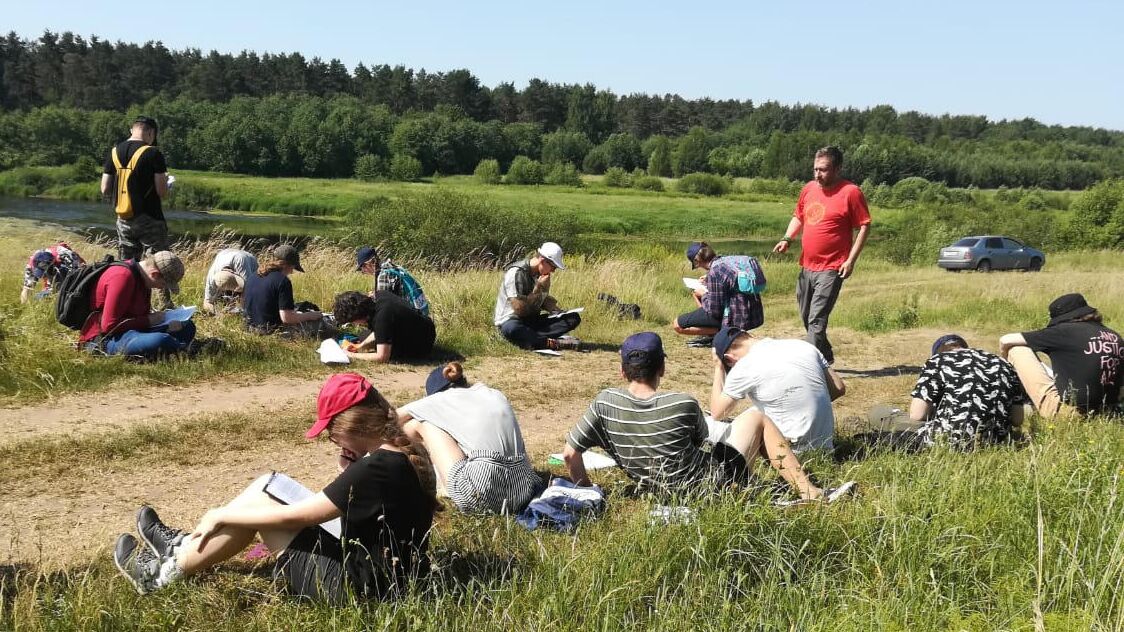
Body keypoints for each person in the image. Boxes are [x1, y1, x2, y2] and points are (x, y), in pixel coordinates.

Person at [111, 373, 439, 602]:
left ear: (349, 424)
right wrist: (348, 470)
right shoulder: (403, 451)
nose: (332, 440)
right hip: (390, 577)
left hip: (357, 590)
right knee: (265, 489)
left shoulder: (375, 467)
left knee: (260, 507)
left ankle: (161, 574)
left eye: (331, 432)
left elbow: (295, 519)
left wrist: (222, 514)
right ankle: (180, 550)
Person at [563, 332, 854, 503]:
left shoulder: (603, 403)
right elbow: (707, 439)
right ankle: (810, 493)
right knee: (757, 418)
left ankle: (765, 487)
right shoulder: (682, 403)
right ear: (662, 368)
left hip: (653, 490)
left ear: (622, 370)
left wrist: (588, 492)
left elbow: (569, 454)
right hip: (710, 488)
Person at [397, 362, 542, 514]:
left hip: (478, 493)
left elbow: (390, 420)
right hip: (524, 489)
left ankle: (407, 471)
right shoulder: (494, 394)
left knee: (420, 423)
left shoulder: (440, 398)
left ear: (433, 393)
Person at [772, 146, 872, 365]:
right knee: (807, 316)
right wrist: (787, 239)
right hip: (807, 265)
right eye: (815, 169)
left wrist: (850, 260)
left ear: (837, 168)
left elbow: (864, 226)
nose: (818, 174)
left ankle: (810, 368)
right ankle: (825, 355)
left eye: (823, 170)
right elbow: (799, 216)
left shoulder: (851, 192)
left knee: (817, 320)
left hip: (832, 267)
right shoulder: (809, 189)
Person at [709, 327, 844, 453]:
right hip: (826, 447)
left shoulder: (744, 366)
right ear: (750, 335)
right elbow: (838, 388)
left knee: (743, 419)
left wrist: (718, 368)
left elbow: (717, 413)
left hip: (790, 452)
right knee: (757, 410)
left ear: (729, 359)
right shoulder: (804, 346)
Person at [1000, 293, 1123, 418]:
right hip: (1108, 411)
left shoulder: (1064, 331)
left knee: (1017, 349)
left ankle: (1012, 394)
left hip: (1068, 412)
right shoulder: (1114, 336)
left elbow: (1006, 340)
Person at [101, 116, 174, 309]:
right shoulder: (153, 153)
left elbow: (105, 188)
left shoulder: (115, 152)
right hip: (150, 218)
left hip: (123, 218)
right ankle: (164, 306)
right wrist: (167, 184)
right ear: (150, 132)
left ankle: (123, 303)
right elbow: (161, 192)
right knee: (160, 262)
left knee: (126, 264)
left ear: (133, 129)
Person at [909, 334, 1027, 449]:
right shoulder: (1004, 363)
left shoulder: (936, 360)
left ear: (938, 352)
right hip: (998, 441)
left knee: (895, 419)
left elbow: (917, 415)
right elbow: (1017, 419)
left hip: (949, 440)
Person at [78, 251, 196, 359]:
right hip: (104, 339)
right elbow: (108, 326)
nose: (162, 288)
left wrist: (162, 322)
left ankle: (176, 348)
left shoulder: (144, 278)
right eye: (164, 283)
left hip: (132, 331)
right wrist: (149, 321)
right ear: (154, 274)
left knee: (187, 326)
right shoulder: (122, 277)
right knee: (160, 340)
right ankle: (183, 349)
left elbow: (137, 315)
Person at [493, 241, 581, 351]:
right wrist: (539, 288)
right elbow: (520, 309)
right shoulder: (516, 273)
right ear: (543, 261)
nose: (553, 271)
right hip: (511, 321)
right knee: (514, 329)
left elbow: (541, 302)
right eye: (553, 267)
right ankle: (550, 342)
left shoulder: (539, 273)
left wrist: (555, 310)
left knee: (573, 318)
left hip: (530, 320)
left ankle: (532, 339)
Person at [673, 242, 765, 347]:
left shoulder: (715, 271)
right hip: (753, 314)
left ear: (697, 261)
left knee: (677, 324)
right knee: (697, 295)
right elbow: (730, 280)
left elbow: (714, 311)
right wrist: (708, 279)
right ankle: (718, 333)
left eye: (697, 265)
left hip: (735, 317)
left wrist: (703, 294)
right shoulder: (726, 261)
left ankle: (720, 334)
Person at [243, 245, 338, 340]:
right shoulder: (283, 281)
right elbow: (287, 318)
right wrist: (311, 315)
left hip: (249, 329)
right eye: (293, 267)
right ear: (288, 265)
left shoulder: (254, 275)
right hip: (271, 332)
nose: (292, 272)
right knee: (322, 324)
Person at [332, 291, 436, 362]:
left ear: (357, 316)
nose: (355, 324)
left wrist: (352, 355)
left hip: (422, 345)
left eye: (353, 321)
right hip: (424, 327)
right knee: (364, 336)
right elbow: (380, 332)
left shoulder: (382, 317)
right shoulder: (379, 296)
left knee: (366, 337)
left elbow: (382, 357)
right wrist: (360, 346)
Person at [355, 246, 430, 317]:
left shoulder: (383, 275)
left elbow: (382, 304)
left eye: (362, 268)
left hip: (409, 317)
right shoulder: (394, 267)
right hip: (419, 311)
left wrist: (371, 298)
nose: (363, 272)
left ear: (368, 264)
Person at [202, 248, 258, 315]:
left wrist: (240, 310)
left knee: (253, 299)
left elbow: (248, 291)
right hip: (224, 255)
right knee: (223, 301)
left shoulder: (242, 263)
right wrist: (217, 314)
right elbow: (207, 302)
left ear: (233, 272)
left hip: (248, 262)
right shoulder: (211, 278)